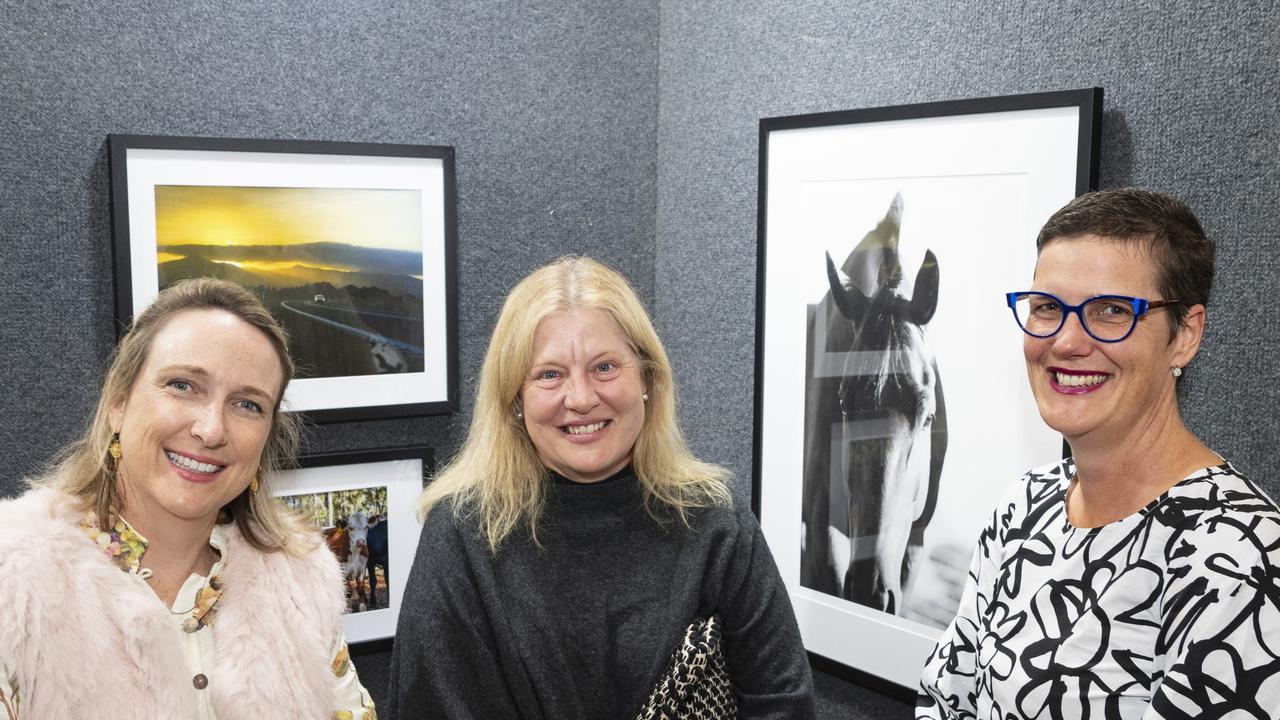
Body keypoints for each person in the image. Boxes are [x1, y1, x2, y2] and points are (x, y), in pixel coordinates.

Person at [388, 256, 814, 719]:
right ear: (514, 398)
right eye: (549, 374)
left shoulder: (715, 521)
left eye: (605, 367)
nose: (582, 398)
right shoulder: (462, 534)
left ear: (647, 378)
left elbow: (783, 702)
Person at [917, 189, 1280, 717]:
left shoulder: (1241, 559)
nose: (1066, 342)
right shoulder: (1027, 505)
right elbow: (945, 700)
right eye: (1047, 308)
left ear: (1185, 335)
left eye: (1111, 311)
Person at [0, 278, 375, 719]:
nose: (211, 429)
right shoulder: (14, 576)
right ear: (118, 403)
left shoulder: (300, 578)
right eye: (182, 385)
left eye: (247, 404)